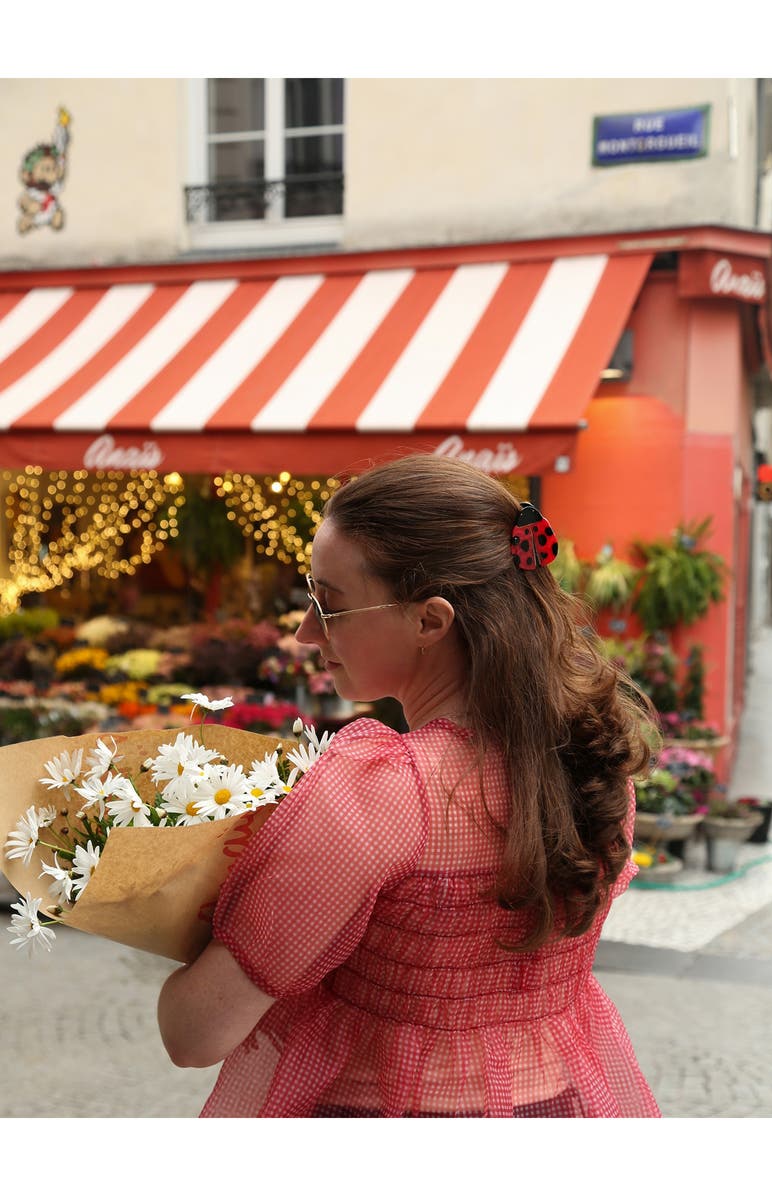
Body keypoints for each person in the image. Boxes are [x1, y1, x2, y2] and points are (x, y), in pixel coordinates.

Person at [157, 454, 661, 1118]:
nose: (307, 633)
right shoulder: (591, 765)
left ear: (430, 621)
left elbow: (196, 1033)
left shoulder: (382, 792)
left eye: (328, 605)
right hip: (556, 1106)